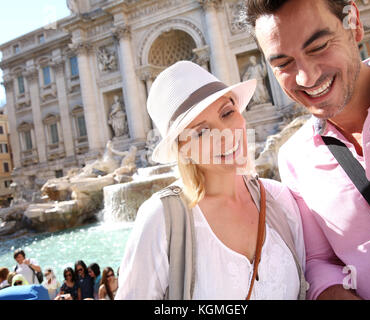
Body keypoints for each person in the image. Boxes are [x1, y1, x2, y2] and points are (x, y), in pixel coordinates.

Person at [244, 0, 370, 300]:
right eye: (283, 64)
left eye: (318, 47)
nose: (306, 77)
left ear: (353, 22)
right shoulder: (294, 158)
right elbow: (319, 262)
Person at [116, 61, 307, 300]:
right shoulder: (161, 219)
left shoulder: (280, 199)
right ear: (182, 150)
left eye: (227, 113)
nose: (225, 135)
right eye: (201, 132)